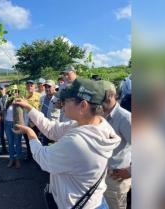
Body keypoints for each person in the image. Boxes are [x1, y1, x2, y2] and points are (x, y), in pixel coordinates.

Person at [14, 78, 120, 209]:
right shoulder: (97, 126)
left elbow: (43, 158)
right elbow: (51, 129)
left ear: (83, 105)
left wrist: (30, 133)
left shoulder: (77, 142)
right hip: (92, 201)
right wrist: (30, 108)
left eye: (66, 100)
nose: (61, 103)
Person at [100, 81, 132, 209]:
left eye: (103, 95)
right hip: (100, 176)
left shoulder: (125, 118)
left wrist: (130, 172)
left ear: (112, 95)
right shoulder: (100, 113)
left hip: (115, 179)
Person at [4, 85, 22, 168]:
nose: (14, 93)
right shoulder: (8, 101)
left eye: (16, 91)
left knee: (17, 143)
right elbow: (4, 112)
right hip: (7, 124)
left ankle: (18, 160)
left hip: (17, 124)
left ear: (18, 92)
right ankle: (11, 159)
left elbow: (24, 114)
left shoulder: (20, 101)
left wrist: (23, 125)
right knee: (10, 143)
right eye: (13, 91)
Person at [23, 79, 41, 160]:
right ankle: (29, 155)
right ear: (26, 87)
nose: (29, 87)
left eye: (31, 85)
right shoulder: (24, 98)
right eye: (28, 85)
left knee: (37, 140)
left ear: (34, 86)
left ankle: (38, 157)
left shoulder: (39, 96)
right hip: (27, 122)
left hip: (36, 123)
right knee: (28, 140)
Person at [39, 80, 60, 145]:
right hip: (44, 126)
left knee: (54, 147)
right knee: (44, 146)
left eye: (49, 87)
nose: (47, 89)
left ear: (54, 87)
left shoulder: (58, 98)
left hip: (54, 127)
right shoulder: (42, 98)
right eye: (46, 87)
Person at [0, 83, 8, 154]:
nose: (0, 90)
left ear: (5, 89)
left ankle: (12, 149)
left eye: (2, 88)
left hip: (8, 119)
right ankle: (4, 149)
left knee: (9, 135)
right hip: (0, 119)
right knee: (1, 135)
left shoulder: (9, 97)